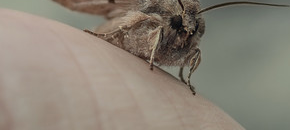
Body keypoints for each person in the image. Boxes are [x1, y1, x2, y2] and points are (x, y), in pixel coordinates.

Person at [0, 8, 244, 130]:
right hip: (116, 37)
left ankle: (183, 76)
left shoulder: (189, 42)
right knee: (146, 19)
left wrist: (184, 75)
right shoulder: (158, 22)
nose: (185, 34)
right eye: (180, 26)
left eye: (193, 30)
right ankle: (108, 33)